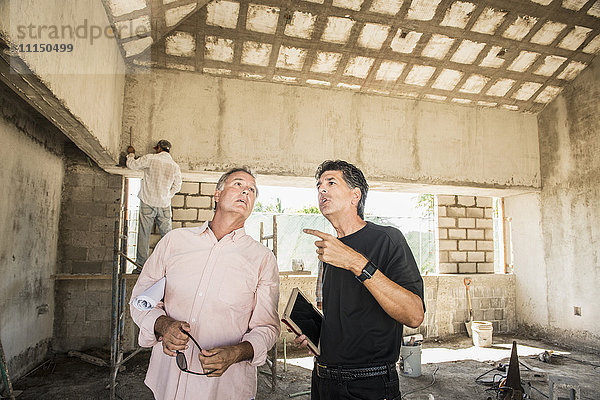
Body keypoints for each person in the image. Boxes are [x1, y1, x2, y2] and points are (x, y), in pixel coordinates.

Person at [130, 167, 280, 400]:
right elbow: (140, 301)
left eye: (252, 190)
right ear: (217, 195)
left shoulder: (262, 258)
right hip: (168, 381)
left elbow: (267, 328)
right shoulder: (175, 242)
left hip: (225, 388)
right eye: (238, 184)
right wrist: (162, 325)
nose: (246, 192)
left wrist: (236, 353)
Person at [298, 160, 425, 400]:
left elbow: (414, 314)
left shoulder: (388, 239)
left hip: (369, 384)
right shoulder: (328, 251)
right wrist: (315, 336)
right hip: (322, 380)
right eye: (319, 185)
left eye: (331, 183)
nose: (321, 190)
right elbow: (335, 315)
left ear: (355, 195)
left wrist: (356, 263)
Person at [126, 140, 182, 273]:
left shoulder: (150, 159)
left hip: (148, 202)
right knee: (168, 237)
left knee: (144, 234)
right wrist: (167, 195)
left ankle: (141, 267)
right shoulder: (174, 166)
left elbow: (132, 165)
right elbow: (177, 186)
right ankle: (169, 266)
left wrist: (131, 154)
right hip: (164, 204)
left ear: (157, 148)